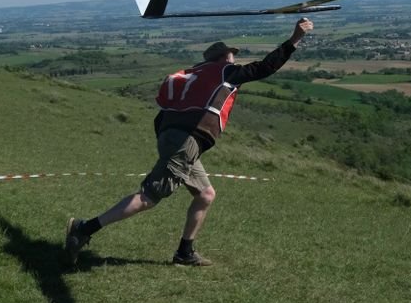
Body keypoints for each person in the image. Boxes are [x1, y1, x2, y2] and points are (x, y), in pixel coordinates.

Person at [65, 17, 314, 267]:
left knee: (205, 194)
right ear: (222, 58)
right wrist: (294, 40)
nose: (234, 59)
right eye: (231, 55)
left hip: (174, 139)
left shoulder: (188, 75)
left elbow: (161, 115)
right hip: (187, 142)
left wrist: (170, 143)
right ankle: (84, 229)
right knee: (149, 197)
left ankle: (185, 252)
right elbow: (265, 67)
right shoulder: (224, 72)